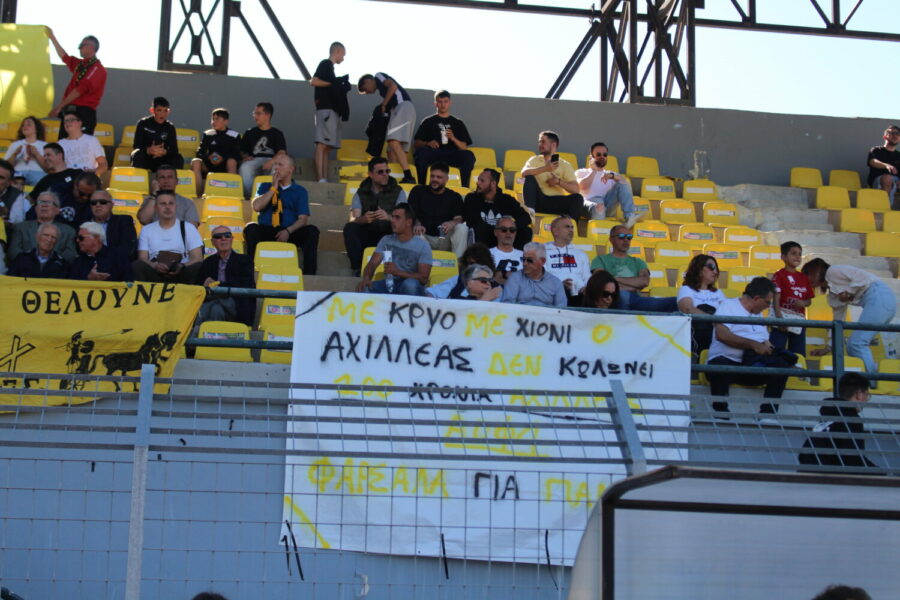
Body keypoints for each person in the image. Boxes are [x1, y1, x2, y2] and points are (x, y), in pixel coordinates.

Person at [706, 277, 795, 416]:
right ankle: (720, 412)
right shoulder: (728, 305)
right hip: (727, 361)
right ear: (757, 298)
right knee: (719, 366)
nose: (768, 306)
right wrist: (752, 345)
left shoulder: (758, 315)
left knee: (780, 367)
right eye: (767, 302)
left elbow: (766, 342)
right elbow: (722, 335)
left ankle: (768, 414)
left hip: (752, 364)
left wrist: (775, 353)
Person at [802, 258, 896, 373]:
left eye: (807, 274)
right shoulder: (833, 294)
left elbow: (862, 279)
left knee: (857, 344)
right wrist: (828, 348)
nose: (806, 279)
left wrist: (848, 292)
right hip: (881, 301)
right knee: (852, 346)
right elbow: (838, 322)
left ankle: (871, 379)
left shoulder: (833, 271)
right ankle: (868, 377)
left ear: (816, 271)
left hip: (879, 296)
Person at [244, 153, 320, 274]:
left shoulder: (300, 191)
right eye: (275, 164)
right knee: (251, 228)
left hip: (289, 232)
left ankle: (309, 274)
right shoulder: (265, 186)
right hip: (267, 230)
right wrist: (273, 188)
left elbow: (303, 219)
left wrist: (288, 231)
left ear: (291, 169)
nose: (276, 168)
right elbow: (257, 207)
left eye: (280, 165)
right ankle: (249, 271)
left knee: (312, 231)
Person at [342, 156, 407, 275]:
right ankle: (358, 268)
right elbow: (353, 218)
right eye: (380, 172)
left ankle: (399, 267)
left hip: (389, 233)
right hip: (368, 233)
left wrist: (388, 217)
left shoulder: (398, 191)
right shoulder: (361, 192)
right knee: (350, 228)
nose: (385, 174)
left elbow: (404, 220)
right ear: (371, 174)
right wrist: (363, 219)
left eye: (387, 171)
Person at [799, 372, 877, 469]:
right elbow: (853, 459)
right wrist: (880, 472)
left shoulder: (828, 416)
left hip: (808, 471)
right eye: (867, 395)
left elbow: (804, 454)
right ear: (859, 394)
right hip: (828, 475)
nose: (867, 400)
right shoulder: (851, 419)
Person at [592, 225, 677, 312]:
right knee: (623, 295)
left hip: (636, 300)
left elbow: (644, 281)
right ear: (611, 239)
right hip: (613, 298)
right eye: (621, 236)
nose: (626, 240)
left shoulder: (638, 262)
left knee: (676, 301)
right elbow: (601, 282)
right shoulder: (600, 260)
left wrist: (614, 279)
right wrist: (632, 287)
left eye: (629, 237)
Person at [357, 203, 432, 296]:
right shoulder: (386, 240)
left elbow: (423, 278)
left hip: (412, 286)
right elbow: (372, 264)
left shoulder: (423, 245)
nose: (392, 220)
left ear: (408, 222)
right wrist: (366, 278)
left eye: (397, 218)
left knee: (410, 285)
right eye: (392, 217)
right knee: (364, 287)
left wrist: (398, 272)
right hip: (390, 284)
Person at [133, 190, 203, 283]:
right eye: (163, 204)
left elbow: (197, 258)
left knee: (198, 267)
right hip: (154, 272)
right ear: (156, 208)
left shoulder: (189, 228)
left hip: (181, 272)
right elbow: (142, 258)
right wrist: (154, 266)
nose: (167, 207)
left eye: (171, 203)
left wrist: (182, 266)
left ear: (176, 206)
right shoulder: (147, 230)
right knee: (137, 266)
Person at [46, 29, 106, 136]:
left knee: (80, 144)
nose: (79, 48)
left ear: (91, 47)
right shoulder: (81, 64)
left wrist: (59, 107)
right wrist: (52, 38)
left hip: (83, 113)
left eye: (82, 45)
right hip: (70, 111)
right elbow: (64, 57)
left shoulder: (97, 68)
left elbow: (80, 90)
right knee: (64, 143)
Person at [358, 73, 417, 183]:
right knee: (391, 150)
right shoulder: (382, 92)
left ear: (367, 81)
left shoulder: (378, 76)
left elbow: (393, 86)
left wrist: (384, 105)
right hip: (400, 110)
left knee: (393, 141)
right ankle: (393, 179)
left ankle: (408, 176)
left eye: (365, 89)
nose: (368, 93)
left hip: (403, 107)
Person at [413, 90, 476, 187]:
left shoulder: (458, 123)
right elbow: (416, 144)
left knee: (469, 156)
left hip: (452, 154)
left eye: (445, 101)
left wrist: (453, 138)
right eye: (440, 102)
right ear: (435, 104)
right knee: (421, 153)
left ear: (450, 103)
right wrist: (427, 143)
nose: (443, 105)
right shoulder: (428, 121)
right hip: (434, 153)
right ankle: (422, 186)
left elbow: (464, 147)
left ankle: (464, 187)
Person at [196, 225, 256, 327]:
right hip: (214, 303)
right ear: (213, 242)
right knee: (216, 309)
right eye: (218, 236)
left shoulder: (244, 260)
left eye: (227, 235)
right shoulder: (208, 262)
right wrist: (204, 284)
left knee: (213, 304)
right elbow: (198, 286)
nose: (223, 238)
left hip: (236, 303)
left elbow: (245, 284)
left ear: (232, 239)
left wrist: (218, 285)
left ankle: (197, 327)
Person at [408, 161, 468, 257]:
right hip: (423, 236)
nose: (434, 179)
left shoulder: (454, 196)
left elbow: (459, 218)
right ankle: (421, 264)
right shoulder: (418, 191)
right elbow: (409, 214)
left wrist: (451, 223)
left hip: (444, 237)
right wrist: (416, 223)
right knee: (414, 231)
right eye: (432, 176)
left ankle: (459, 263)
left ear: (446, 179)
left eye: (439, 177)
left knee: (462, 228)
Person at [520, 131, 584, 220]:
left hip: (556, 202)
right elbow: (523, 173)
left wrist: (558, 182)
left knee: (578, 198)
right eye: (539, 142)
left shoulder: (565, 164)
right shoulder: (534, 160)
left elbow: (576, 189)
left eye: (543, 142)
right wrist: (545, 168)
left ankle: (570, 225)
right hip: (538, 200)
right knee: (529, 177)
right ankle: (530, 215)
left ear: (553, 145)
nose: (540, 144)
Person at [463, 168, 532, 249]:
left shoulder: (507, 199)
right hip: (484, 237)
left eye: (482, 181)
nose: (477, 183)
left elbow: (526, 218)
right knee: (481, 229)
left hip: (503, 235)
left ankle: (517, 255)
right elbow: (472, 221)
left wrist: (508, 227)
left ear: (493, 184)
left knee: (526, 231)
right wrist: (498, 230)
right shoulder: (471, 198)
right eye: (478, 180)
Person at [575, 142, 638, 227]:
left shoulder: (611, 174)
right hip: (589, 204)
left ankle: (629, 217)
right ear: (591, 157)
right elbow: (582, 187)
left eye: (604, 154)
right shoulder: (582, 172)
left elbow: (625, 185)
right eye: (598, 154)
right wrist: (594, 171)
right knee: (599, 207)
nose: (602, 157)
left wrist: (612, 176)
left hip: (607, 204)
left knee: (622, 183)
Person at [311, 41, 348, 183]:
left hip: (332, 110)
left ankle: (324, 177)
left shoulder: (330, 68)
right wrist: (333, 84)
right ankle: (320, 177)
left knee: (327, 147)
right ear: (337, 51)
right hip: (325, 109)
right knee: (322, 144)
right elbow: (314, 81)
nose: (343, 58)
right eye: (343, 54)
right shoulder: (325, 64)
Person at [15, 143, 82, 223]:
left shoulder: (76, 174)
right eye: (44, 156)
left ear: (60, 155)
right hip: (51, 222)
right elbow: (29, 200)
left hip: (75, 218)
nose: (45, 158)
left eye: (48, 155)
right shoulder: (45, 180)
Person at [771, 241, 814, 355]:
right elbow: (776, 298)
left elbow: (809, 300)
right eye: (793, 253)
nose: (797, 257)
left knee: (798, 355)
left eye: (799, 254)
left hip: (798, 322)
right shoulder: (779, 275)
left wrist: (803, 303)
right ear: (783, 257)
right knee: (776, 353)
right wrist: (779, 319)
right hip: (781, 320)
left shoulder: (803, 277)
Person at [678, 254, 727, 353]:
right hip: (697, 332)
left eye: (716, 269)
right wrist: (713, 319)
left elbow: (727, 313)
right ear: (699, 268)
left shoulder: (718, 293)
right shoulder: (686, 289)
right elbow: (687, 309)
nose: (715, 272)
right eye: (711, 267)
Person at [9, 191, 77, 261]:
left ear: (57, 210)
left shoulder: (69, 231)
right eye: (40, 202)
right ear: (36, 209)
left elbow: (70, 255)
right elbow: (14, 252)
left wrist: (50, 264)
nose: (44, 205)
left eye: (49, 203)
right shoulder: (21, 228)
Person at [239, 102, 287, 197]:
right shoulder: (250, 132)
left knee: (276, 168)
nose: (255, 116)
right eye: (254, 113)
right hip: (254, 159)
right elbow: (242, 150)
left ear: (267, 115)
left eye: (258, 113)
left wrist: (271, 161)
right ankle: (252, 195)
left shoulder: (277, 133)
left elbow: (282, 153)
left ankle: (269, 195)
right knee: (245, 168)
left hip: (272, 160)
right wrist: (245, 157)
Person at [191, 108, 241, 198]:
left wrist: (223, 157)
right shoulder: (208, 134)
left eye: (217, 119)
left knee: (232, 161)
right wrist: (209, 156)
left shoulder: (234, 135)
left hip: (225, 165)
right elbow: (200, 152)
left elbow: (237, 153)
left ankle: (231, 194)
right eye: (212, 119)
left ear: (225, 121)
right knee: (196, 161)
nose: (213, 122)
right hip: (210, 165)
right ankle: (198, 195)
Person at [543, 215, 591, 306]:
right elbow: (543, 277)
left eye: (572, 227)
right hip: (554, 293)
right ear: (555, 231)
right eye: (567, 227)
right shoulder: (543, 251)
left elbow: (587, 277)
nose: (571, 230)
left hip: (580, 294)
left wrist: (587, 287)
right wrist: (559, 285)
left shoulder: (581, 254)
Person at [502, 242, 567, 307]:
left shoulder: (555, 283)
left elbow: (561, 309)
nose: (524, 263)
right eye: (523, 259)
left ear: (542, 261)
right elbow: (507, 306)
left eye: (529, 260)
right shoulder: (515, 278)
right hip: (520, 313)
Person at [68, 221, 134, 282]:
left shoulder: (118, 256)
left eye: (81, 238)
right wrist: (88, 279)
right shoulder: (78, 262)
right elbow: (70, 286)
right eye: (77, 238)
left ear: (96, 238)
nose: (77, 240)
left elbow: (129, 282)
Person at [131, 97, 183, 171]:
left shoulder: (170, 127)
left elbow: (174, 150)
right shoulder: (143, 123)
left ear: (168, 112)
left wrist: (164, 152)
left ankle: (172, 178)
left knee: (178, 158)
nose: (162, 114)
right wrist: (149, 150)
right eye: (159, 110)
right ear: (152, 110)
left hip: (162, 159)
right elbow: (136, 145)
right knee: (137, 154)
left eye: (165, 111)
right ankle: (138, 177)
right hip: (146, 158)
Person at [427, 242, 495, 299]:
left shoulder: (494, 285)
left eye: (474, 264)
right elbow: (432, 293)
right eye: (469, 264)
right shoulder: (458, 279)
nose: (471, 267)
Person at [88, 189, 137, 257]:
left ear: (111, 205)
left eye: (103, 202)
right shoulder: (84, 225)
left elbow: (126, 249)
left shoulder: (123, 221)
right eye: (94, 203)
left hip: (115, 261)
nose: (98, 205)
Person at [58, 110, 107, 176]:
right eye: (65, 121)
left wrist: (93, 172)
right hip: (69, 177)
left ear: (80, 123)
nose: (68, 123)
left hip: (88, 177)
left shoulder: (91, 140)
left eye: (71, 120)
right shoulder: (60, 143)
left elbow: (103, 164)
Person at [4, 116, 48, 186]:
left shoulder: (44, 145)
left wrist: (36, 154)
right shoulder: (15, 144)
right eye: (23, 125)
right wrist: (15, 154)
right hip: (18, 173)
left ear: (36, 128)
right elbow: (6, 166)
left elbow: (48, 168)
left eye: (29, 124)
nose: (25, 126)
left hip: (38, 173)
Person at [866, 124, 900, 207]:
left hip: (896, 182)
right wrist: (886, 165)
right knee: (887, 178)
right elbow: (872, 161)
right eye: (892, 133)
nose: (895, 135)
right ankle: (884, 207)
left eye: (898, 134)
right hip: (878, 181)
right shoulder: (876, 150)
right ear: (885, 137)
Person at [490, 216, 525, 285]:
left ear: (515, 233)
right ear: (496, 232)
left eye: (512, 230)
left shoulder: (525, 256)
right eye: (504, 230)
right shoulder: (486, 254)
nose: (508, 233)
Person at [0, 159, 24, 225]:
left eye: (1, 178)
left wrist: (1, 204)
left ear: (9, 183)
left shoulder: (16, 195)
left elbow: (17, 222)